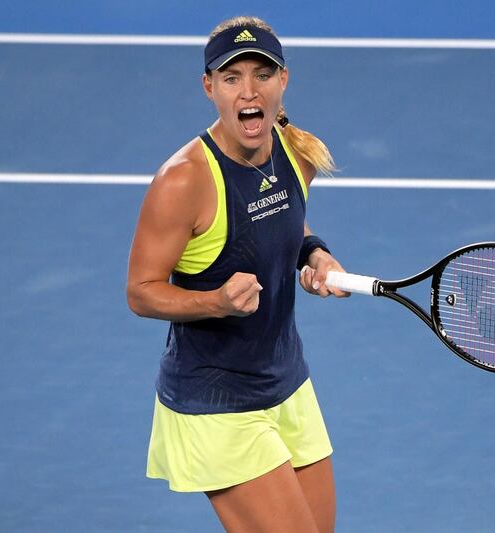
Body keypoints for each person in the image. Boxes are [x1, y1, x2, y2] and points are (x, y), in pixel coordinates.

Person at [127, 15, 348, 533]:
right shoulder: (183, 181)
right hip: (217, 401)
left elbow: (284, 224)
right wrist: (216, 302)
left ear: (283, 80)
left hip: (287, 383)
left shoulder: (297, 155)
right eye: (232, 78)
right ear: (209, 87)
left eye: (262, 74)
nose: (249, 91)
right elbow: (140, 291)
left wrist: (315, 255)